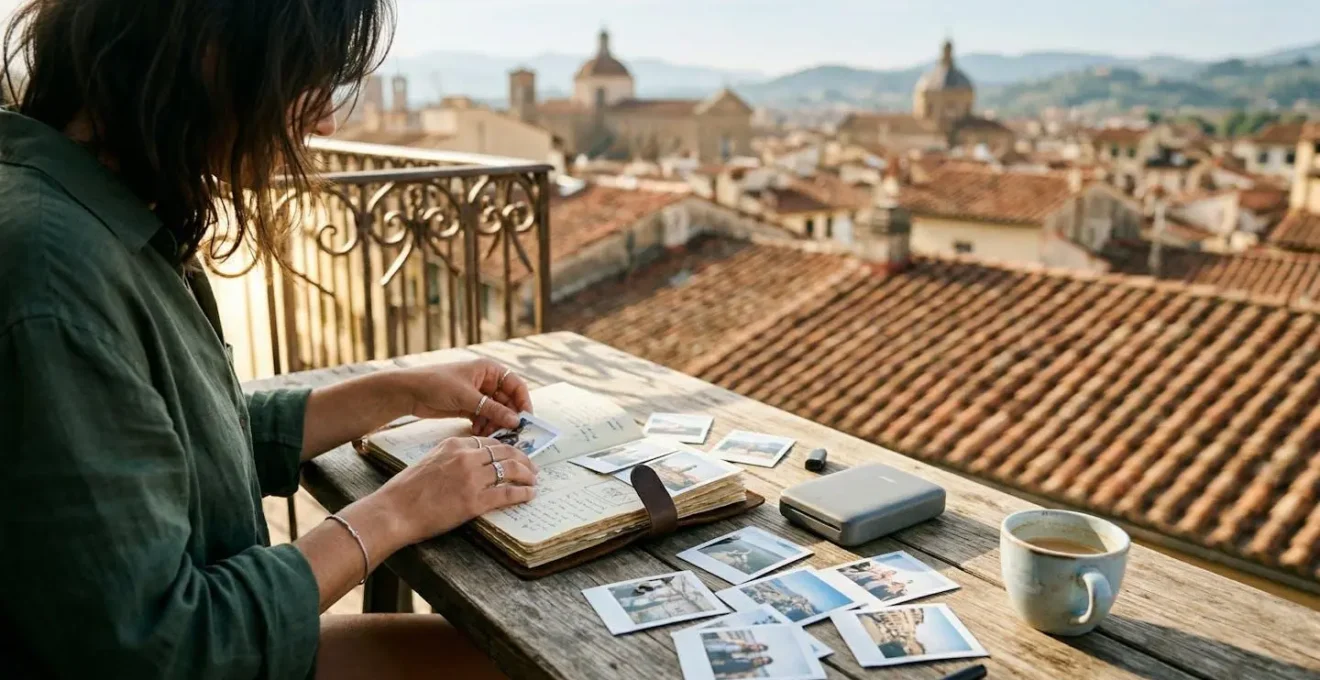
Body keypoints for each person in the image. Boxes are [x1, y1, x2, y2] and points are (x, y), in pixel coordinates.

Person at [0, 1, 536, 678]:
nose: (325, 120)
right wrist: (399, 511)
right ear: (211, 49)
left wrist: (403, 391)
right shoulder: (56, 274)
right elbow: (159, 648)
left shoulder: (90, 214)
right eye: (307, 78)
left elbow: (175, 441)